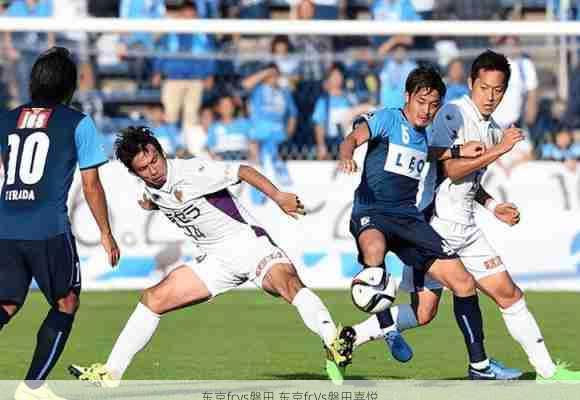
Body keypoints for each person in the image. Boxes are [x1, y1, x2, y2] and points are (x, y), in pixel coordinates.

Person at [353, 50, 580, 381]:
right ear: (472, 83)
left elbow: (470, 185)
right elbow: (450, 170)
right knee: (425, 310)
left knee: (508, 294)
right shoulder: (451, 115)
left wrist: (493, 206)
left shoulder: (490, 129)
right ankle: (356, 337)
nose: (490, 96)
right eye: (484, 87)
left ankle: (548, 370)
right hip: (435, 226)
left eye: (498, 90)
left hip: (468, 228)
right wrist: (498, 150)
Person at [68, 127, 351, 385]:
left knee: (287, 285)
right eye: (143, 168)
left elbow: (242, 170)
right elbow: (164, 198)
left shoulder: (192, 170)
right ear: (135, 173)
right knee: (153, 298)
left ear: (160, 151)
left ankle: (333, 341)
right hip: (215, 260)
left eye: (154, 159)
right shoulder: (152, 189)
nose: (153, 170)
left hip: (248, 244)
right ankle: (111, 372)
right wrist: (150, 204)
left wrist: (278, 197)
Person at [338, 66, 517, 380]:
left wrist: (456, 150)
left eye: (435, 105)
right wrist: (347, 154)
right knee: (375, 261)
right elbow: (353, 137)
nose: (428, 110)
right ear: (407, 97)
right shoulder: (388, 118)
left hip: (409, 219)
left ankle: (479, 366)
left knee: (462, 284)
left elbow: (426, 153)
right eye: (422, 102)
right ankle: (383, 321)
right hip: (373, 212)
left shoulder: (423, 134)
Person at [0, 47, 120, 400]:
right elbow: (91, 184)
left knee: (5, 304)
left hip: (5, 226)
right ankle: (31, 387)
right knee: (66, 301)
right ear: (70, 87)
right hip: (47, 228)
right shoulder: (77, 122)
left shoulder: (6, 119)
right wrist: (106, 233)